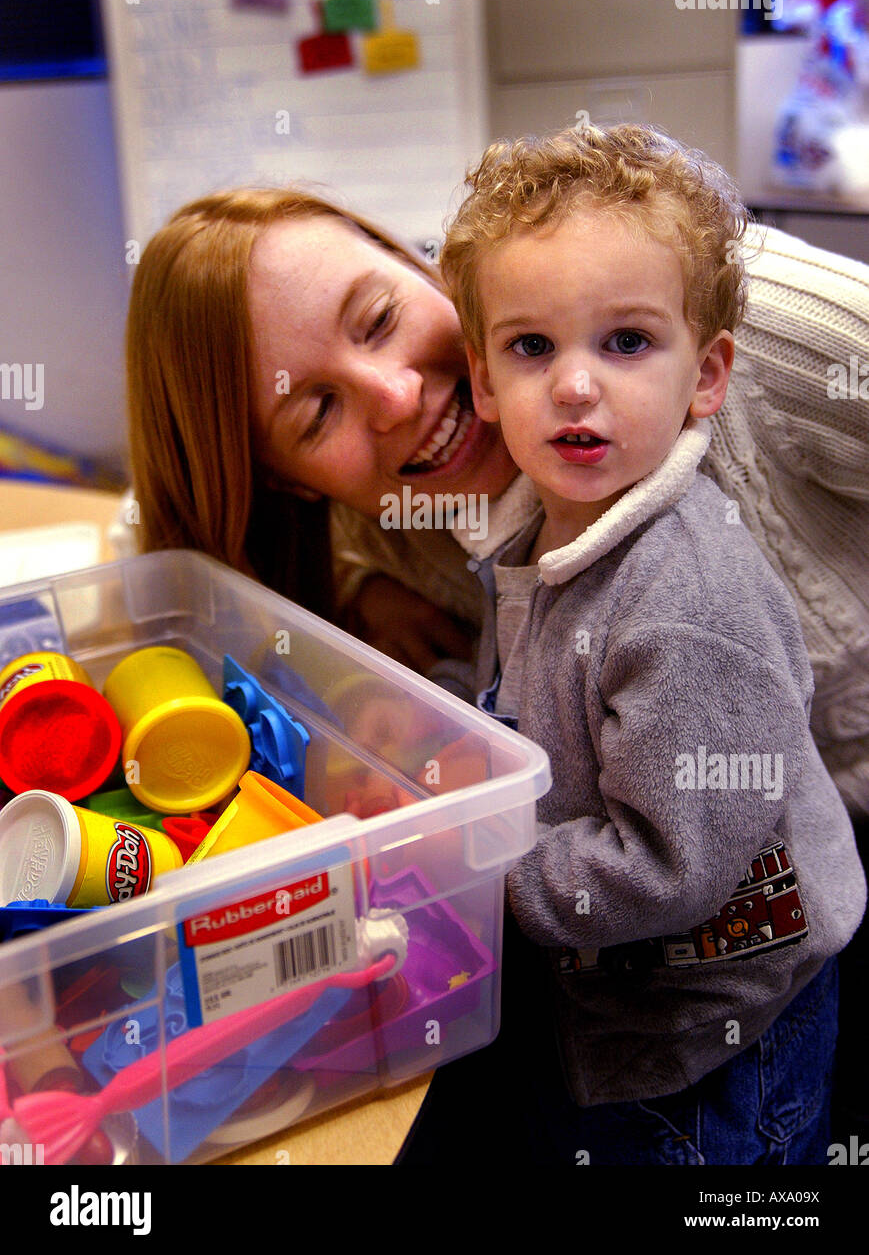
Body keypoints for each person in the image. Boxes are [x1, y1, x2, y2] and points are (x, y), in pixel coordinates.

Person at [122, 169, 869, 1155]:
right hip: (662, 969)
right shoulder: (444, 520)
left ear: (423, 262)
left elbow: (666, 860)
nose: (396, 396)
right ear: (288, 482)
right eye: (316, 414)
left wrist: (454, 865)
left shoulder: (720, 315)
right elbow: (171, 533)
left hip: (744, 984)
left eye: (380, 316)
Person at [417, 121, 865, 1164]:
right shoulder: (545, 527)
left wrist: (475, 866)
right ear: (484, 383)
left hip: (716, 1041)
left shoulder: (680, 593)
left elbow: (668, 864)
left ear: (704, 376)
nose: (574, 385)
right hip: (628, 992)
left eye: (624, 342)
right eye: (531, 347)